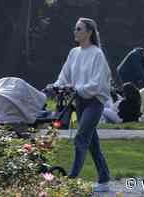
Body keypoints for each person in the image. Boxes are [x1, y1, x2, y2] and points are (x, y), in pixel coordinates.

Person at [50, 17, 111, 192]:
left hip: (94, 102)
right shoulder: (73, 53)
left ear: (89, 32)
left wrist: (77, 88)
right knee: (92, 143)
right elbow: (64, 74)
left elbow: (97, 84)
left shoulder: (97, 54)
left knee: (80, 138)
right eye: (75, 29)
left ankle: (72, 178)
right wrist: (56, 86)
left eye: (79, 29)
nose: (75, 32)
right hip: (79, 101)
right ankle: (105, 176)